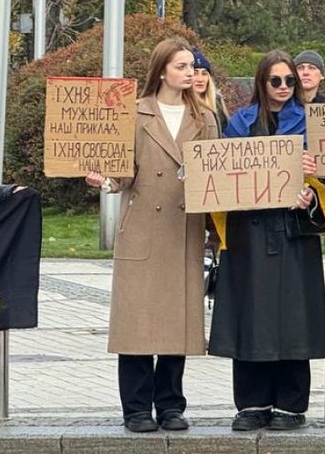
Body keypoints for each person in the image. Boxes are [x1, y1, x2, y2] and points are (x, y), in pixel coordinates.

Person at [86, 38, 219, 433]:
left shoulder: (206, 118)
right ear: (162, 70)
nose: (190, 72)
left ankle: (172, 405)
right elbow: (123, 172)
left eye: (192, 66)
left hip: (184, 230)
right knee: (137, 325)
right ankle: (137, 409)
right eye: (181, 66)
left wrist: (216, 229)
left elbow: (214, 177)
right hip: (143, 226)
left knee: (177, 325)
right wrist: (105, 180)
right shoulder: (134, 113)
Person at [208, 50, 325, 432]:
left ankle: (292, 404)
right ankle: (252, 403)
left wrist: (311, 190)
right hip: (249, 233)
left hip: (294, 232)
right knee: (250, 316)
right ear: (262, 83)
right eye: (275, 81)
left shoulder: (311, 123)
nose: (282, 88)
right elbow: (224, 178)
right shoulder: (240, 124)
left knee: (294, 317)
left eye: (289, 81)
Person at [190, 46, 228, 131]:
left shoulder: (217, 103)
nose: (200, 79)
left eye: (204, 74)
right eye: (195, 73)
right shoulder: (179, 104)